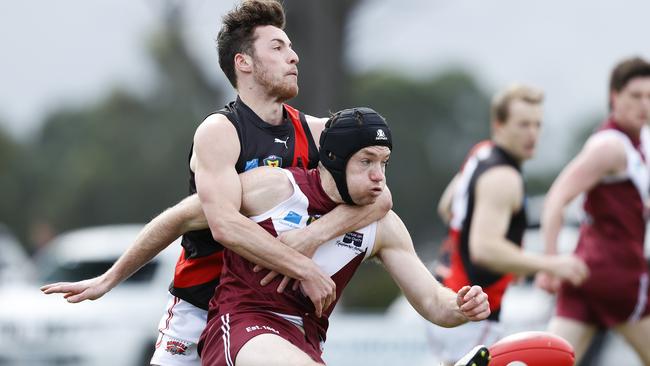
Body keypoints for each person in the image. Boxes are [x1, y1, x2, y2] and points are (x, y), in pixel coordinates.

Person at [41, 2, 391, 365]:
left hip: (266, 313)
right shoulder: (220, 132)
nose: (294, 57)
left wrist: (311, 237)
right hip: (199, 306)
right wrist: (109, 279)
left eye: (290, 46)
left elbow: (380, 198)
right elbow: (217, 224)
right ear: (244, 63)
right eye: (278, 47)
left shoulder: (316, 131)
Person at [128, 107, 490, 365]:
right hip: (241, 326)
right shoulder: (274, 187)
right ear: (334, 158)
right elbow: (179, 217)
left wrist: (460, 307)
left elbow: (432, 303)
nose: (379, 175)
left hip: (305, 341)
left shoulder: (383, 225)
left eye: (384, 163)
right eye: (366, 161)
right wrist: (109, 279)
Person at [427, 84, 589, 365]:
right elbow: (485, 250)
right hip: (473, 314)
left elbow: (447, 207)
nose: (532, 134)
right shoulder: (504, 176)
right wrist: (552, 264)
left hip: (446, 300)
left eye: (537, 124)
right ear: (498, 125)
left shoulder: (481, 152)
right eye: (523, 124)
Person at [538, 56, 650, 364]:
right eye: (636, 96)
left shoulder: (634, 145)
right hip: (617, 276)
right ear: (615, 97)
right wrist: (550, 263)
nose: (644, 105)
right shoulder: (610, 148)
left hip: (586, 277)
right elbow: (556, 198)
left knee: (552, 360)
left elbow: (624, 207)